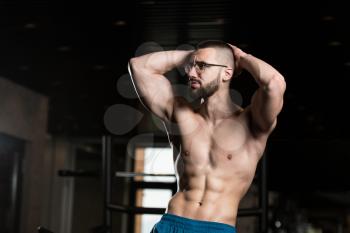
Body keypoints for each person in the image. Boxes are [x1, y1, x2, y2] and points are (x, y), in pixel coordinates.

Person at [128, 40, 286, 233]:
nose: (191, 73)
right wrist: (190, 56)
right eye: (191, 66)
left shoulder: (252, 123)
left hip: (217, 228)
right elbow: (139, 66)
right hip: (172, 224)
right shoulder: (181, 114)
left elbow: (274, 83)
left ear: (227, 72)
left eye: (202, 66)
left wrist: (242, 58)